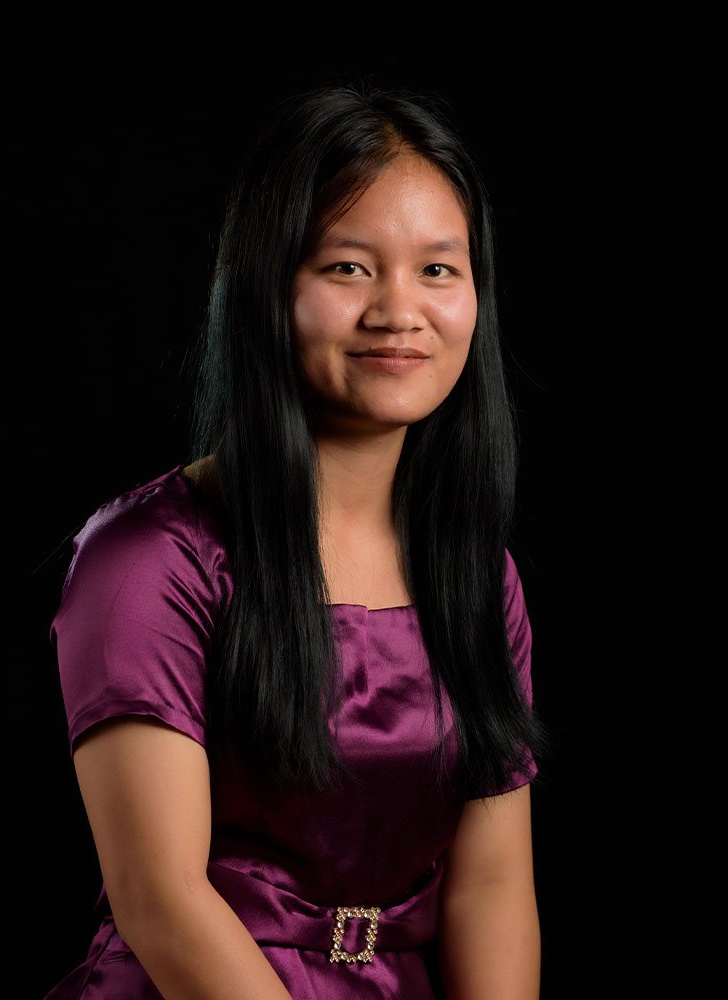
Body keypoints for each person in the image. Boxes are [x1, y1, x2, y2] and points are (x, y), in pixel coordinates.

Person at [45, 85, 543, 1000]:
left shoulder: (478, 576)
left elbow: (492, 887)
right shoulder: (148, 561)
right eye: (349, 267)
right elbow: (161, 900)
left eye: (439, 269)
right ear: (266, 286)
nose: (399, 310)